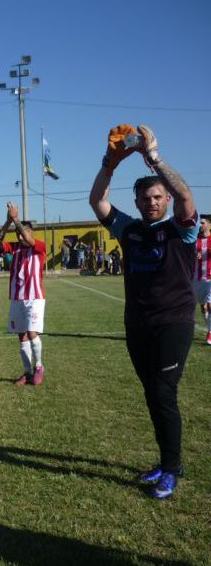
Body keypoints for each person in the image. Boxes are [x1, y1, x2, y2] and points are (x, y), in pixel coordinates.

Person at [89, 123, 198, 499]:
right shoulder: (129, 229)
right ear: (136, 203)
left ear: (164, 200)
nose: (151, 202)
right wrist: (109, 163)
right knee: (152, 394)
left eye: (157, 197)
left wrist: (154, 159)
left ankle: (171, 468)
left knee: (163, 393)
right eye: (145, 199)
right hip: (137, 324)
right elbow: (97, 202)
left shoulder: (182, 231)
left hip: (173, 323)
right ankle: (169, 461)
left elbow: (186, 195)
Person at [0, 203, 47, 386]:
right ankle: (27, 372)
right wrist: (9, 220)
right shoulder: (14, 247)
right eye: (18, 234)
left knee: (32, 332)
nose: (20, 236)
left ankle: (39, 366)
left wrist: (16, 218)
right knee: (21, 336)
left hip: (35, 297)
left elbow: (27, 238)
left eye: (24, 233)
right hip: (17, 297)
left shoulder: (38, 247)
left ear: (31, 233)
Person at [194, 215, 211, 345]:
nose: (200, 225)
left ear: (209, 225)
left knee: (210, 305)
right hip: (197, 277)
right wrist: (194, 255)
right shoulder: (195, 239)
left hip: (210, 278)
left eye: (203, 223)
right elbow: (188, 255)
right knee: (203, 306)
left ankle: (210, 332)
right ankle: (210, 329)